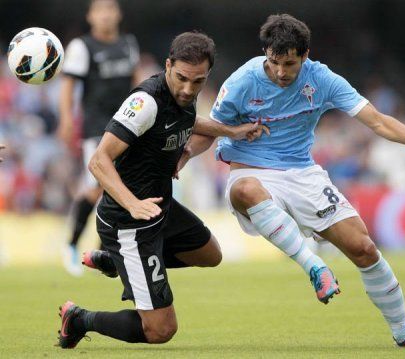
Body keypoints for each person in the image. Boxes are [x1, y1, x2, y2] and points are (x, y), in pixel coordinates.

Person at [205, 14, 405, 348]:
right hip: (251, 167)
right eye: (274, 62)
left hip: (303, 173)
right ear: (265, 52)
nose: (281, 71)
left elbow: (377, 121)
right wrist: (177, 161)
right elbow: (206, 130)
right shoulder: (242, 81)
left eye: (290, 63)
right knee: (244, 189)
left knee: (364, 249)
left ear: (305, 56)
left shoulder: (322, 80)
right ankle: (315, 267)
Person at [56, 31, 265, 349]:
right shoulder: (145, 103)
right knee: (160, 330)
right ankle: (80, 318)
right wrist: (132, 204)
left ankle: (116, 262)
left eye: (197, 82)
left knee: (210, 255)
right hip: (129, 222)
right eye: (181, 78)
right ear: (168, 65)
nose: (187, 89)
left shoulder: (184, 94)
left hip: (160, 208)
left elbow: (188, 119)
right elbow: (98, 161)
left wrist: (230, 131)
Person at [58, 0, 141, 276]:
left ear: (118, 14)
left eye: (110, 9)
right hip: (97, 129)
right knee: (99, 187)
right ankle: (72, 245)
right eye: (100, 10)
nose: (106, 15)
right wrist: (67, 119)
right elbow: (68, 85)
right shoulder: (82, 47)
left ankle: (102, 251)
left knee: (118, 187)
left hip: (127, 127)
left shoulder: (129, 43)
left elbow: (137, 84)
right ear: (90, 16)